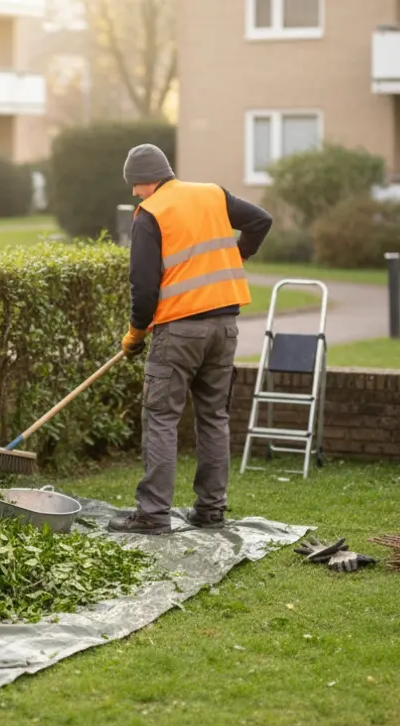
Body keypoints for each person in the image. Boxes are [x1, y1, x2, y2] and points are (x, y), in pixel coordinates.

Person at [107, 143, 273, 535]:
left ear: (148, 181)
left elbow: (143, 286)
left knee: (161, 418)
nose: (134, 193)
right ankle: (211, 511)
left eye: (136, 185)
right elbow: (260, 221)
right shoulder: (212, 194)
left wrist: (135, 333)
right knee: (214, 417)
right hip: (224, 327)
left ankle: (152, 515)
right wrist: (238, 255)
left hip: (179, 331)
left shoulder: (151, 214)